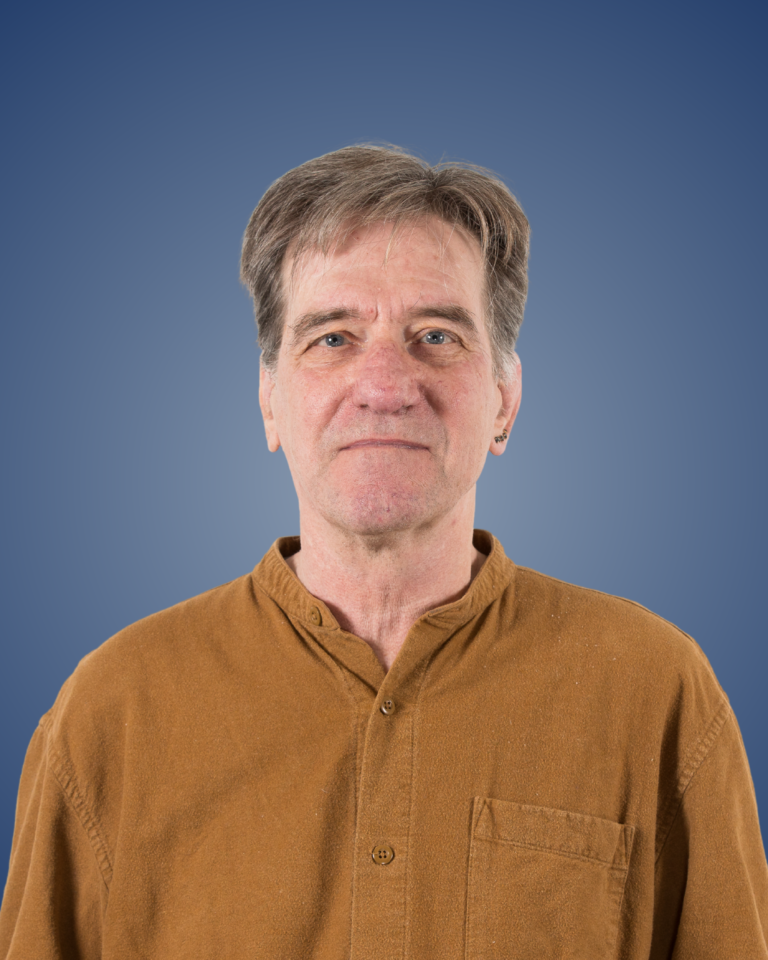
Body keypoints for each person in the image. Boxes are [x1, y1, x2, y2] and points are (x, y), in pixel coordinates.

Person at [1, 145, 766, 960]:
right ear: (269, 399)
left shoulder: (655, 692)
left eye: (436, 335)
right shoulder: (112, 712)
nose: (385, 386)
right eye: (332, 338)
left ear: (504, 401)